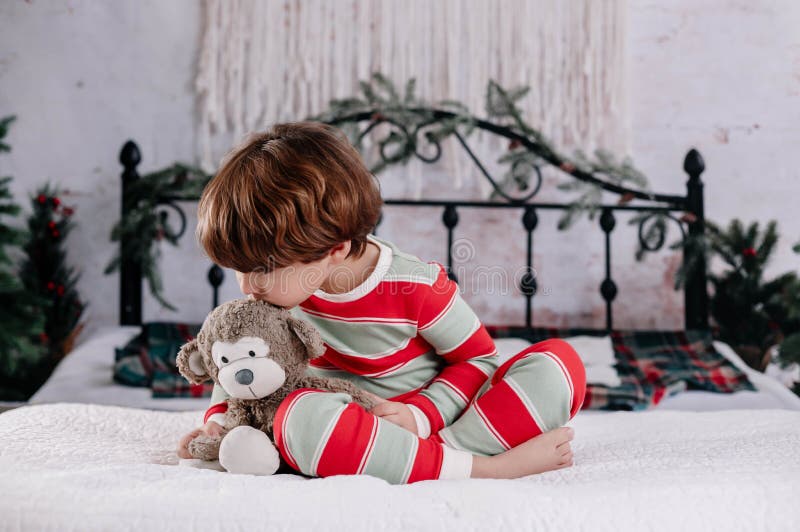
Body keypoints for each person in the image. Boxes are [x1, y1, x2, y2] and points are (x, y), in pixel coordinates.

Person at [176, 122, 586, 483]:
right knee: (299, 417)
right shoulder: (274, 295)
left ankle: (441, 456)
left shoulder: (417, 286)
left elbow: (478, 362)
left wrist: (420, 417)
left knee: (559, 367)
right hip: (335, 421)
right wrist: (218, 425)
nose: (248, 286)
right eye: (239, 268)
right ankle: (484, 468)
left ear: (334, 250)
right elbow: (239, 364)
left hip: (423, 423)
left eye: (262, 269)